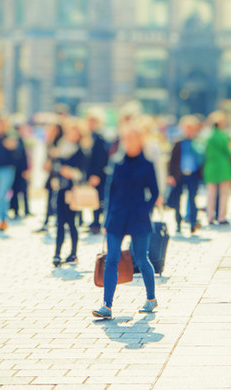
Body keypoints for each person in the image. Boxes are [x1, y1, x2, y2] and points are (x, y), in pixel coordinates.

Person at [92, 123, 159, 320]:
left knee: (141, 258)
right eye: (126, 138)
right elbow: (109, 191)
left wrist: (145, 209)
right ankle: (107, 305)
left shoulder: (147, 164)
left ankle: (151, 298)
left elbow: (154, 192)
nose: (128, 142)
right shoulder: (117, 163)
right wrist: (105, 220)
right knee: (111, 258)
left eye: (132, 138)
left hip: (138, 218)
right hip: (117, 217)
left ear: (140, 140)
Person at [51, 121, 87, 266]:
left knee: (72, 223)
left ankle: (73, 253)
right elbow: (56, 165)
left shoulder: (81, 151)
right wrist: (56, 175)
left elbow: (83, 172)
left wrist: (71, 173)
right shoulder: (62, 148)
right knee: (59, 223)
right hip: (60, 189)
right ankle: (57, 254)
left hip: (73, 191)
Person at [167, 115, 204, 234]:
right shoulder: (178, 143)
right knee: (178, 199)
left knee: (192, 198)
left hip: (193, 175)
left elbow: (202, 160)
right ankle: (178, 222)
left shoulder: (197, 143)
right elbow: (172, 160)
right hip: (179, 175)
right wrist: (170, 175)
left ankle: (193, 222)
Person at [203, 111, 231, 225]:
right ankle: (221, 217)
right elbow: (229, 152)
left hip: (210, 166)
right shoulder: (224, 136)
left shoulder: (208, 136)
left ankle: (210, 216)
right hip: (223, 167)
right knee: (224, 194)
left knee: (210, 194)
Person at [36, 124, 64, 233]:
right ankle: (47, 221)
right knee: (50, 198)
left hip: (58, 174)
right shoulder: (50, 142)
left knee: (57, 199)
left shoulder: (60, 142)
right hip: (52, 174)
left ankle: (56, 221)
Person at [87, 116, 111, 235]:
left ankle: (97, 222)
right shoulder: (88, 136)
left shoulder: (100, 137)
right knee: (92, 199)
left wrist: (96, 174)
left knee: (98, 200)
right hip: (90, 173)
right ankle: (94, 221)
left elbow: (101, 157)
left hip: (98, 174)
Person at [9, 123, 31, 219]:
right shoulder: (15, 140)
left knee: (23, 191)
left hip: (20, 170)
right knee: (17, 192)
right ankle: (17, 211)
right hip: (17, 170)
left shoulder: (20, 140)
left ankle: (25, 210)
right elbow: (20, 157)